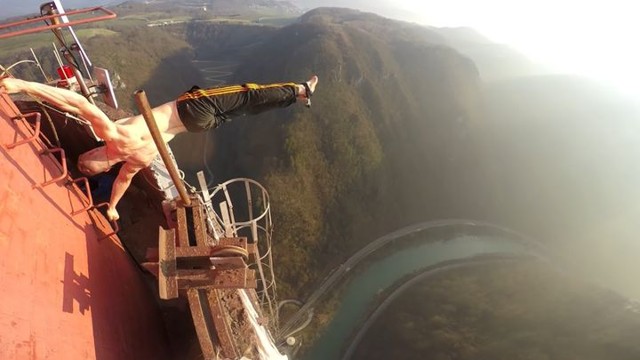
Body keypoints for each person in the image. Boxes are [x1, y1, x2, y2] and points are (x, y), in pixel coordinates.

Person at [0, 75, 318, 221]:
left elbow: (122, 184)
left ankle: (296, 97)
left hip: (198, 126)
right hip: (191, 109)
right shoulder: (114, 135)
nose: (91, 151)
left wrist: (112, 208)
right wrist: (23, 86)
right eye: (89, 154)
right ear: (97, 153)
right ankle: (300, 89)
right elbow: (80, 103)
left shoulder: (134, 160)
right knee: (247, 94)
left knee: (245, 107)